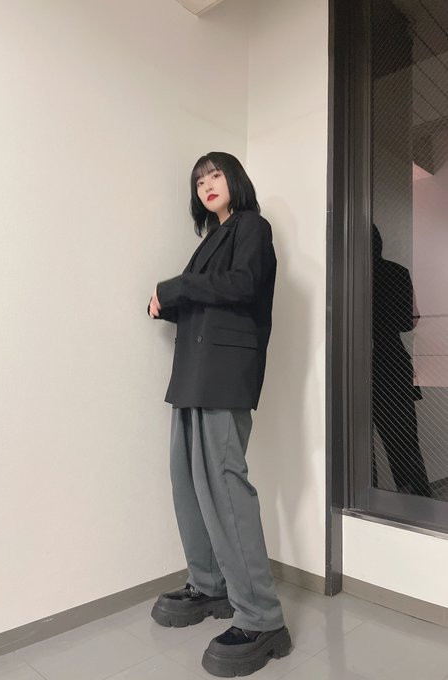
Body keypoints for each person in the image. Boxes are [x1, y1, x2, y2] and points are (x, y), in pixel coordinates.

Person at [147, 152, 291, 677]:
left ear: (235, 180)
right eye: (199, 180)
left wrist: (176, 288)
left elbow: (243, 286)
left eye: (215, 174)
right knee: (187, 481)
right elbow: (208, 299)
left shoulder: (252, 227)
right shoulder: (209, 240)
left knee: (226, 487)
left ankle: (262, 617)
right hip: (193, 372)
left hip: (226, 373)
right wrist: (165, 303)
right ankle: (209, 585)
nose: (207, 184)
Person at [372, 225, 432, 497]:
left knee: (358, 450)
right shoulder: (396, 272)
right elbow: (410, 321)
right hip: (391, 363)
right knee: (405, 444)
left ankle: (365, 500)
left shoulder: (346, 277)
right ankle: (416, 502)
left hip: (354, 365)